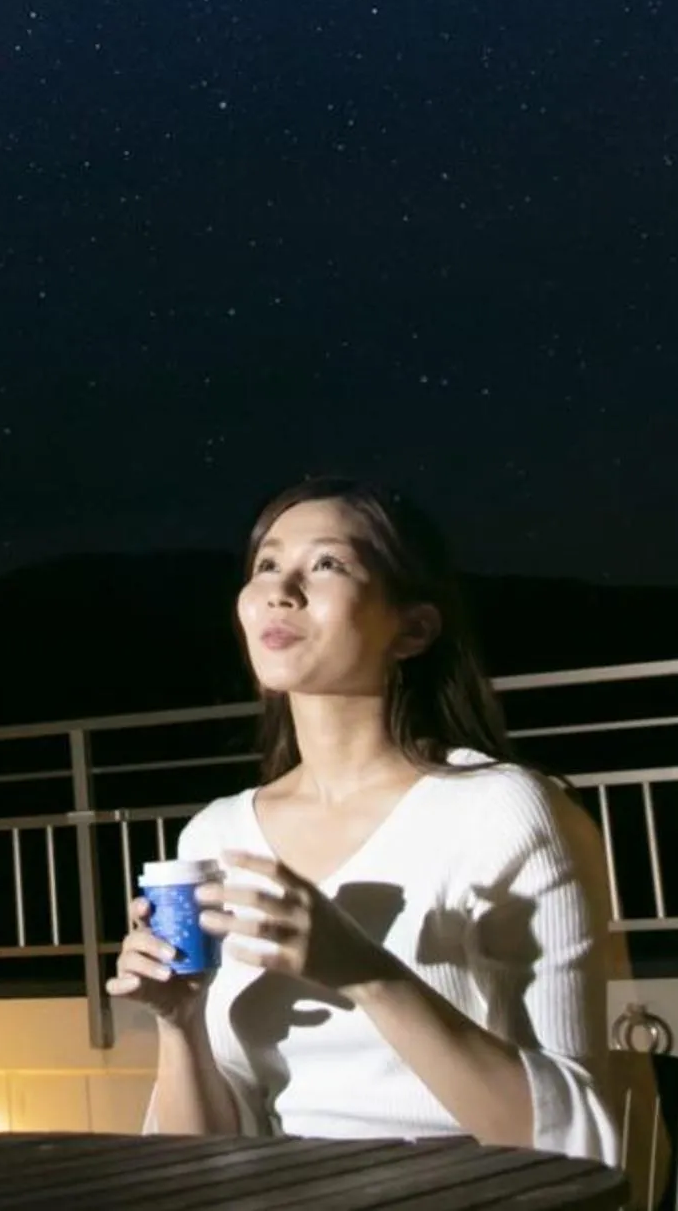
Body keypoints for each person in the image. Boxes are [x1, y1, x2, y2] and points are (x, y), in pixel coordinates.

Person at [109, 476, 632, 1165]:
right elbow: (196, 1165)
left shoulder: (501, 810)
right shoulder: (214, 836)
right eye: (266, 564)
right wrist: (180, 1025)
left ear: (412, 628)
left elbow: (580, 1140)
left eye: (325, 564)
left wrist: (366, 973)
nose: (278, 589)